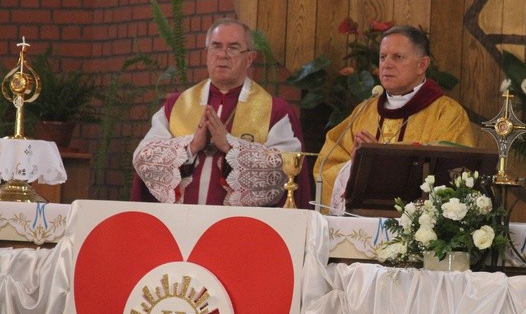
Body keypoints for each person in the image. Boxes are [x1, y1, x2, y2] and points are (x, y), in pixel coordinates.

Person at [132, 18, 310, 207]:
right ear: (207, 54)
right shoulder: (176, 106)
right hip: (180, 225)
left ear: (250, 58)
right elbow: (143, 157)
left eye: (233, 48)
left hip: (241, 229)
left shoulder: (276, 112)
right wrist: (190, 146)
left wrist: (230, 146)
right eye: (216, 47)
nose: (223, 55)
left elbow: (284, 170)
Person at [314, 25, 476, 214]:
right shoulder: (365, 111)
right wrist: (356, 165)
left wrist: (379, 162)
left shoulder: (446, 114)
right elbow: (326, 165)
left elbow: (455, 174)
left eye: (397, 57)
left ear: (422, 65)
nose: (387, 64)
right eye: (383, 57)